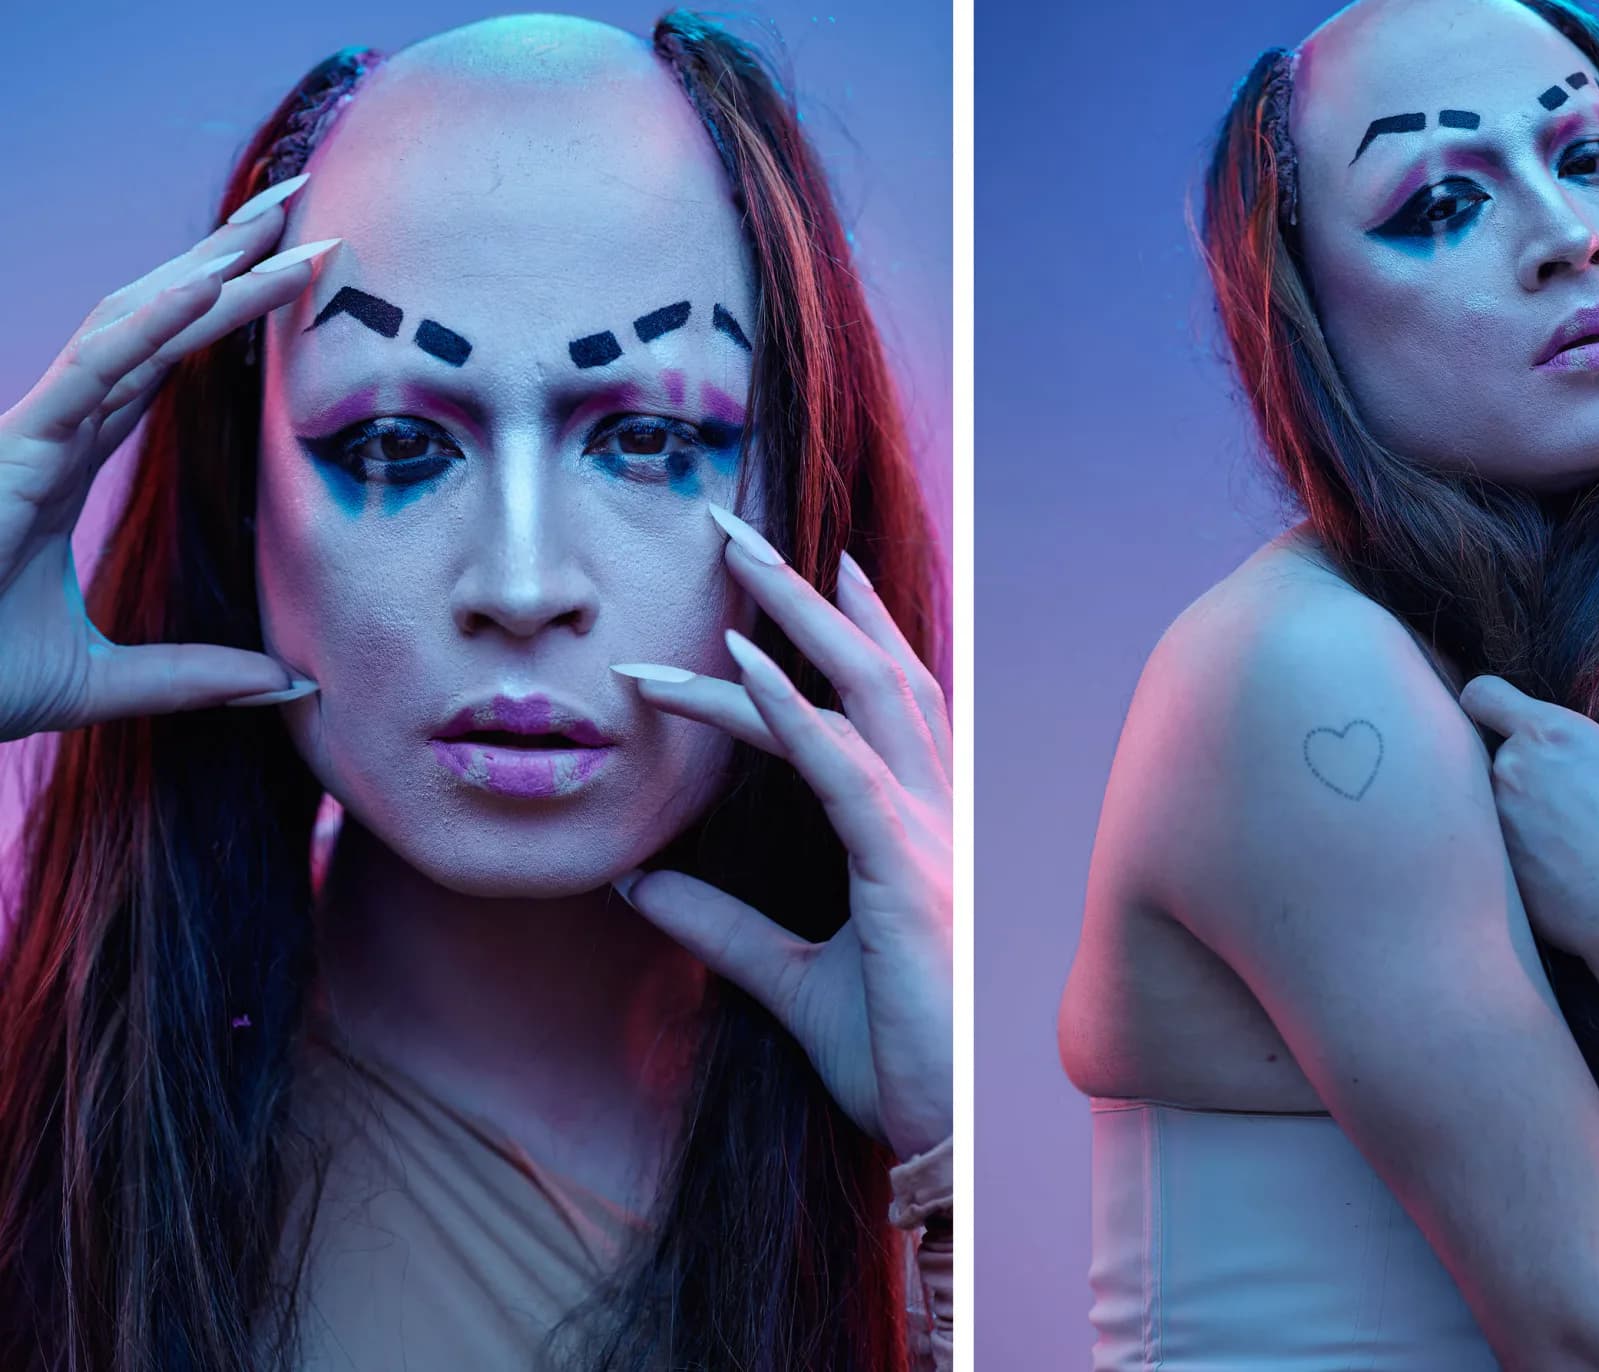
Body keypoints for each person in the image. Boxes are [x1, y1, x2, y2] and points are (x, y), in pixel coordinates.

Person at [0, 11, 952, 1371]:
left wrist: (952, 1159)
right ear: (240, 499)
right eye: (393, 441)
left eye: (646, 437)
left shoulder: (908, 1147)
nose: (519, 583)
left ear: (802, 490)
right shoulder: (58, 1171)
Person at [1057, 0, 1599, 1368]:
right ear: (1307, 321)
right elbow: (1586, 1331)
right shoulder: (1293, 670)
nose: (1570, 236)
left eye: (1589, 157)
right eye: (1442, 201)